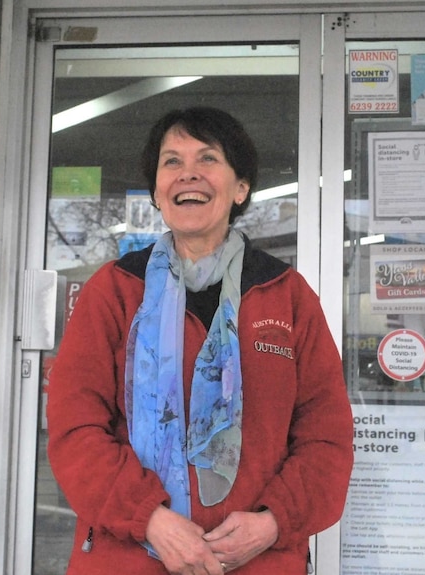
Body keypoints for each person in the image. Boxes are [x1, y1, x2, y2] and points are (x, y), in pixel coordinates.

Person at [47, 106, 354, 575]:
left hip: (256, 562)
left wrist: (272, 523)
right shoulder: (114, 292)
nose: (187, 174)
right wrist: (150, 519)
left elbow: (325, 437)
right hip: (127, 556)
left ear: (241, 187)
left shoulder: (286, 296)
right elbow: (76, 430)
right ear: (156, 190)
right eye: (171, 162)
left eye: (207, 159)